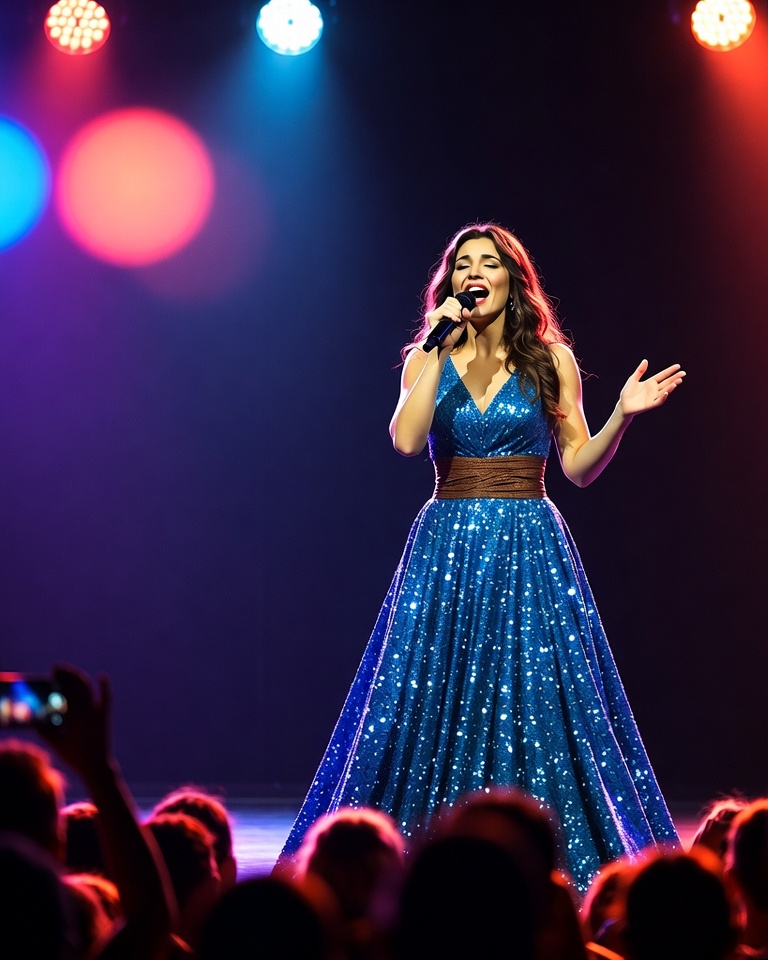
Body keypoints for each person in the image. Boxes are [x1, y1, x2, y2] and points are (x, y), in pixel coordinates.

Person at [280, 222, 684, 890]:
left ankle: (534, 853)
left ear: (511, 278)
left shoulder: (549, 359)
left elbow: (578, 467)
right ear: (449, 284)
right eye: (462, 263)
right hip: (445, 543)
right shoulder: (425, 356)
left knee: (537, 698)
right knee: (426, 692)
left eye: (488, 263)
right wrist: (437, 346)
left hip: (530, 540)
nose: (475, 272)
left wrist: (622, 415)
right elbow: (407, 442)